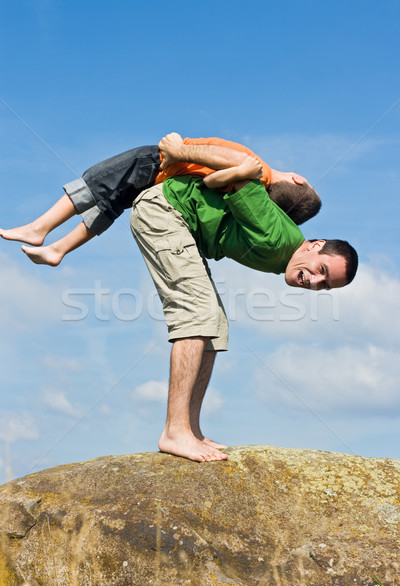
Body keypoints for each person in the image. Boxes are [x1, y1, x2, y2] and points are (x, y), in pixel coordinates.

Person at [129, 149, 358, 463]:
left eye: (325, 285)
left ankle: (191, 429)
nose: (316, 283)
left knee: (216, 327)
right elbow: (244, 173)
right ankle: (174, 430)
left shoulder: (284, 255)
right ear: (316, 246)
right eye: (322, 271)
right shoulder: (279, 237)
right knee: (198, 315)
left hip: (178, 219)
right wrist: (181, 150)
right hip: (165, 210)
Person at [0, 134, 321, 265]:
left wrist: (178, 150)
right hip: (168, 179)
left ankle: (40, 227)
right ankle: (59, 248)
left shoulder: (258, 171)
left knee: (98, 180)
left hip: (161, 164)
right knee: (111, 203)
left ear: (298, 180)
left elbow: (218, 161)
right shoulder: (256, 189)